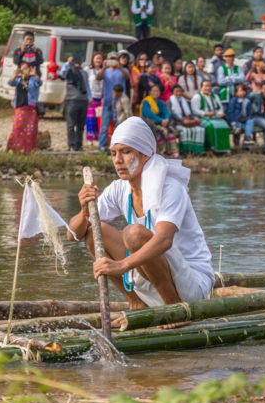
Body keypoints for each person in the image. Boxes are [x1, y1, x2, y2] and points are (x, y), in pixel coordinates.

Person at [68, 116, 213, 314]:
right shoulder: (119, 189)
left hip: (191, 285)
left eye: (126, 152)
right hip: (153, 279)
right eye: (113, 153)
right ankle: (137, 303)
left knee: (134, 234)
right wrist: (85, 212)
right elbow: (72, 235)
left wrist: (122, 265)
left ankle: (173, 308)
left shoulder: (171, 187)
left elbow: (164, 240)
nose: (118, 160)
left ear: (145, 155)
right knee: (94, 232)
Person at [7, 63, 40, 153]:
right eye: (22, 69)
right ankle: (16, 148)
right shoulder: (18, 80)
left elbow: (39, 83)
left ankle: (29, 149)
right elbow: (10, 82)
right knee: (17, 129)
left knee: (30, 131)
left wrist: (34, 75)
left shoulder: (33, 80)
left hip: (31, 108)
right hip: (20, 108)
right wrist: (16, 75)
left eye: (26, 69)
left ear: (29, 69)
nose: (24, 71)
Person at [191, 78, 231, 153]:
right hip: (202, 118)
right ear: (201, 87)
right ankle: (211, 148)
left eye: (209, 86)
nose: (208, 88)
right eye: (206, 86)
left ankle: (224, 148)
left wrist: (219, 114)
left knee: (224, 125)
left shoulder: (215, 96)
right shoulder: (197, 97)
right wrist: (206, 114)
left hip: (214, 117)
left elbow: (220, 108)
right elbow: (195, 110)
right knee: (210, 126)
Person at [60, 55, 89, 151]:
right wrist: (67, 63)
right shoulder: (69, 71)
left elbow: (87, 85)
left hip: (83, 100)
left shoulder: (84, 72)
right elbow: (62, 74)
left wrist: (90, 97)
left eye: (79, 62)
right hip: (71, 101)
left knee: (81, 126)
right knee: (71, 125)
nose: (77, 64)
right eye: (75, 62)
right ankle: (71, 145)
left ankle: (79, 145)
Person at [141, 84, 179, 158]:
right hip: (149, 123)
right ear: (150, 92)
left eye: (157, 91)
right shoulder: (146, 102)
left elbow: (166, 112)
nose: (156, 93)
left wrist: (167, 119)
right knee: (161, 130)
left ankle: (173, 151)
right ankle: (162, 151)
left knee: (171, 130)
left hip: (160, 123)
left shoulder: (160, 102)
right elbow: (149, 114)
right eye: (154, 91)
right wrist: (161, 120)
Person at [169, 78, 205, 155]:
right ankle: (184, 151)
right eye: (176, 91)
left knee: (199, 130)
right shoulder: (169, 101)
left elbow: (190, 113)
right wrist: (182, 120)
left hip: (188, 121)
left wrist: (194, 118)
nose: (178, 93)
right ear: (172, 92)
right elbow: (171, 114)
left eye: (180, 91)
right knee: (185, 131)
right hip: (176, 123)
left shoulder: (184, 100)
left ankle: (196, 151)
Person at [100, 52, 128, 150]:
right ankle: (102, 146)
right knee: (104, 126)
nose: (112, 61)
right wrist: (103, 67)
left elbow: (128, 77)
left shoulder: (123, 70)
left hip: (120, 102)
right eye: (110, 59)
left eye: (114, 59)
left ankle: (122, 145)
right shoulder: (105, 71)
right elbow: (98, 78)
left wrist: (120, 67)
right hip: (108, 101)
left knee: (121, 125)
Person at [85, 51, 106, 146]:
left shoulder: (104, 70)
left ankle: (98, 138)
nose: (98, 60)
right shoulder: (88, 70)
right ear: (93, 59)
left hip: (101, 98)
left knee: (99, 119)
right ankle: (90, 138)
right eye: (97, 58)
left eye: (100, 58)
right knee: (90, 119)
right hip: (91, 97)